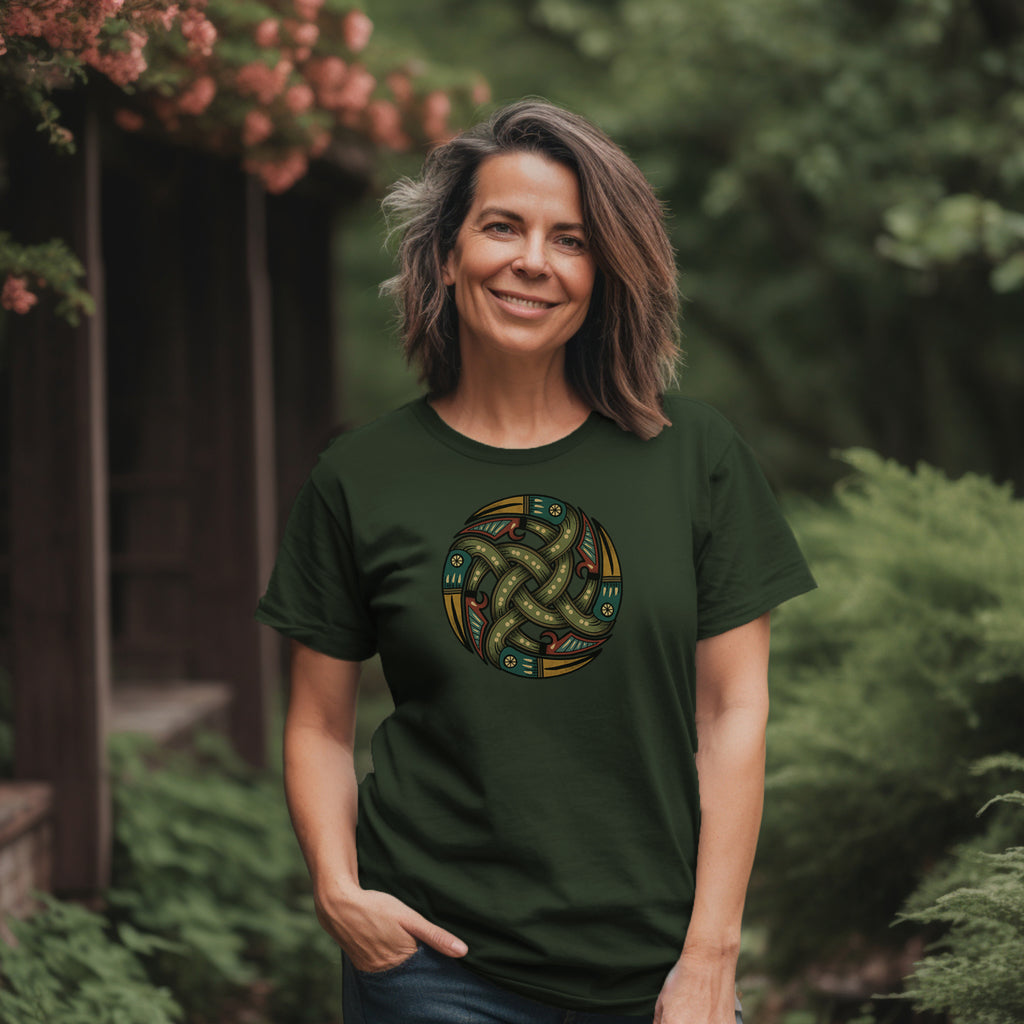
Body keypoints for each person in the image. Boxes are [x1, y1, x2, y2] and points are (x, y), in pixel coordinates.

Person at [256, 99, 816, 1024]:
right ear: (446, 253)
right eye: (503, 227)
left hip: (654, 966)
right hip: (433, 963)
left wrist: (711, 954)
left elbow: (732, 711)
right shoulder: (361, 475)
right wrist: (338, 888)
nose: (532, 262)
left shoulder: (695, 458)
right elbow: (319, 724)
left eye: (571, 240)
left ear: (603, 272)